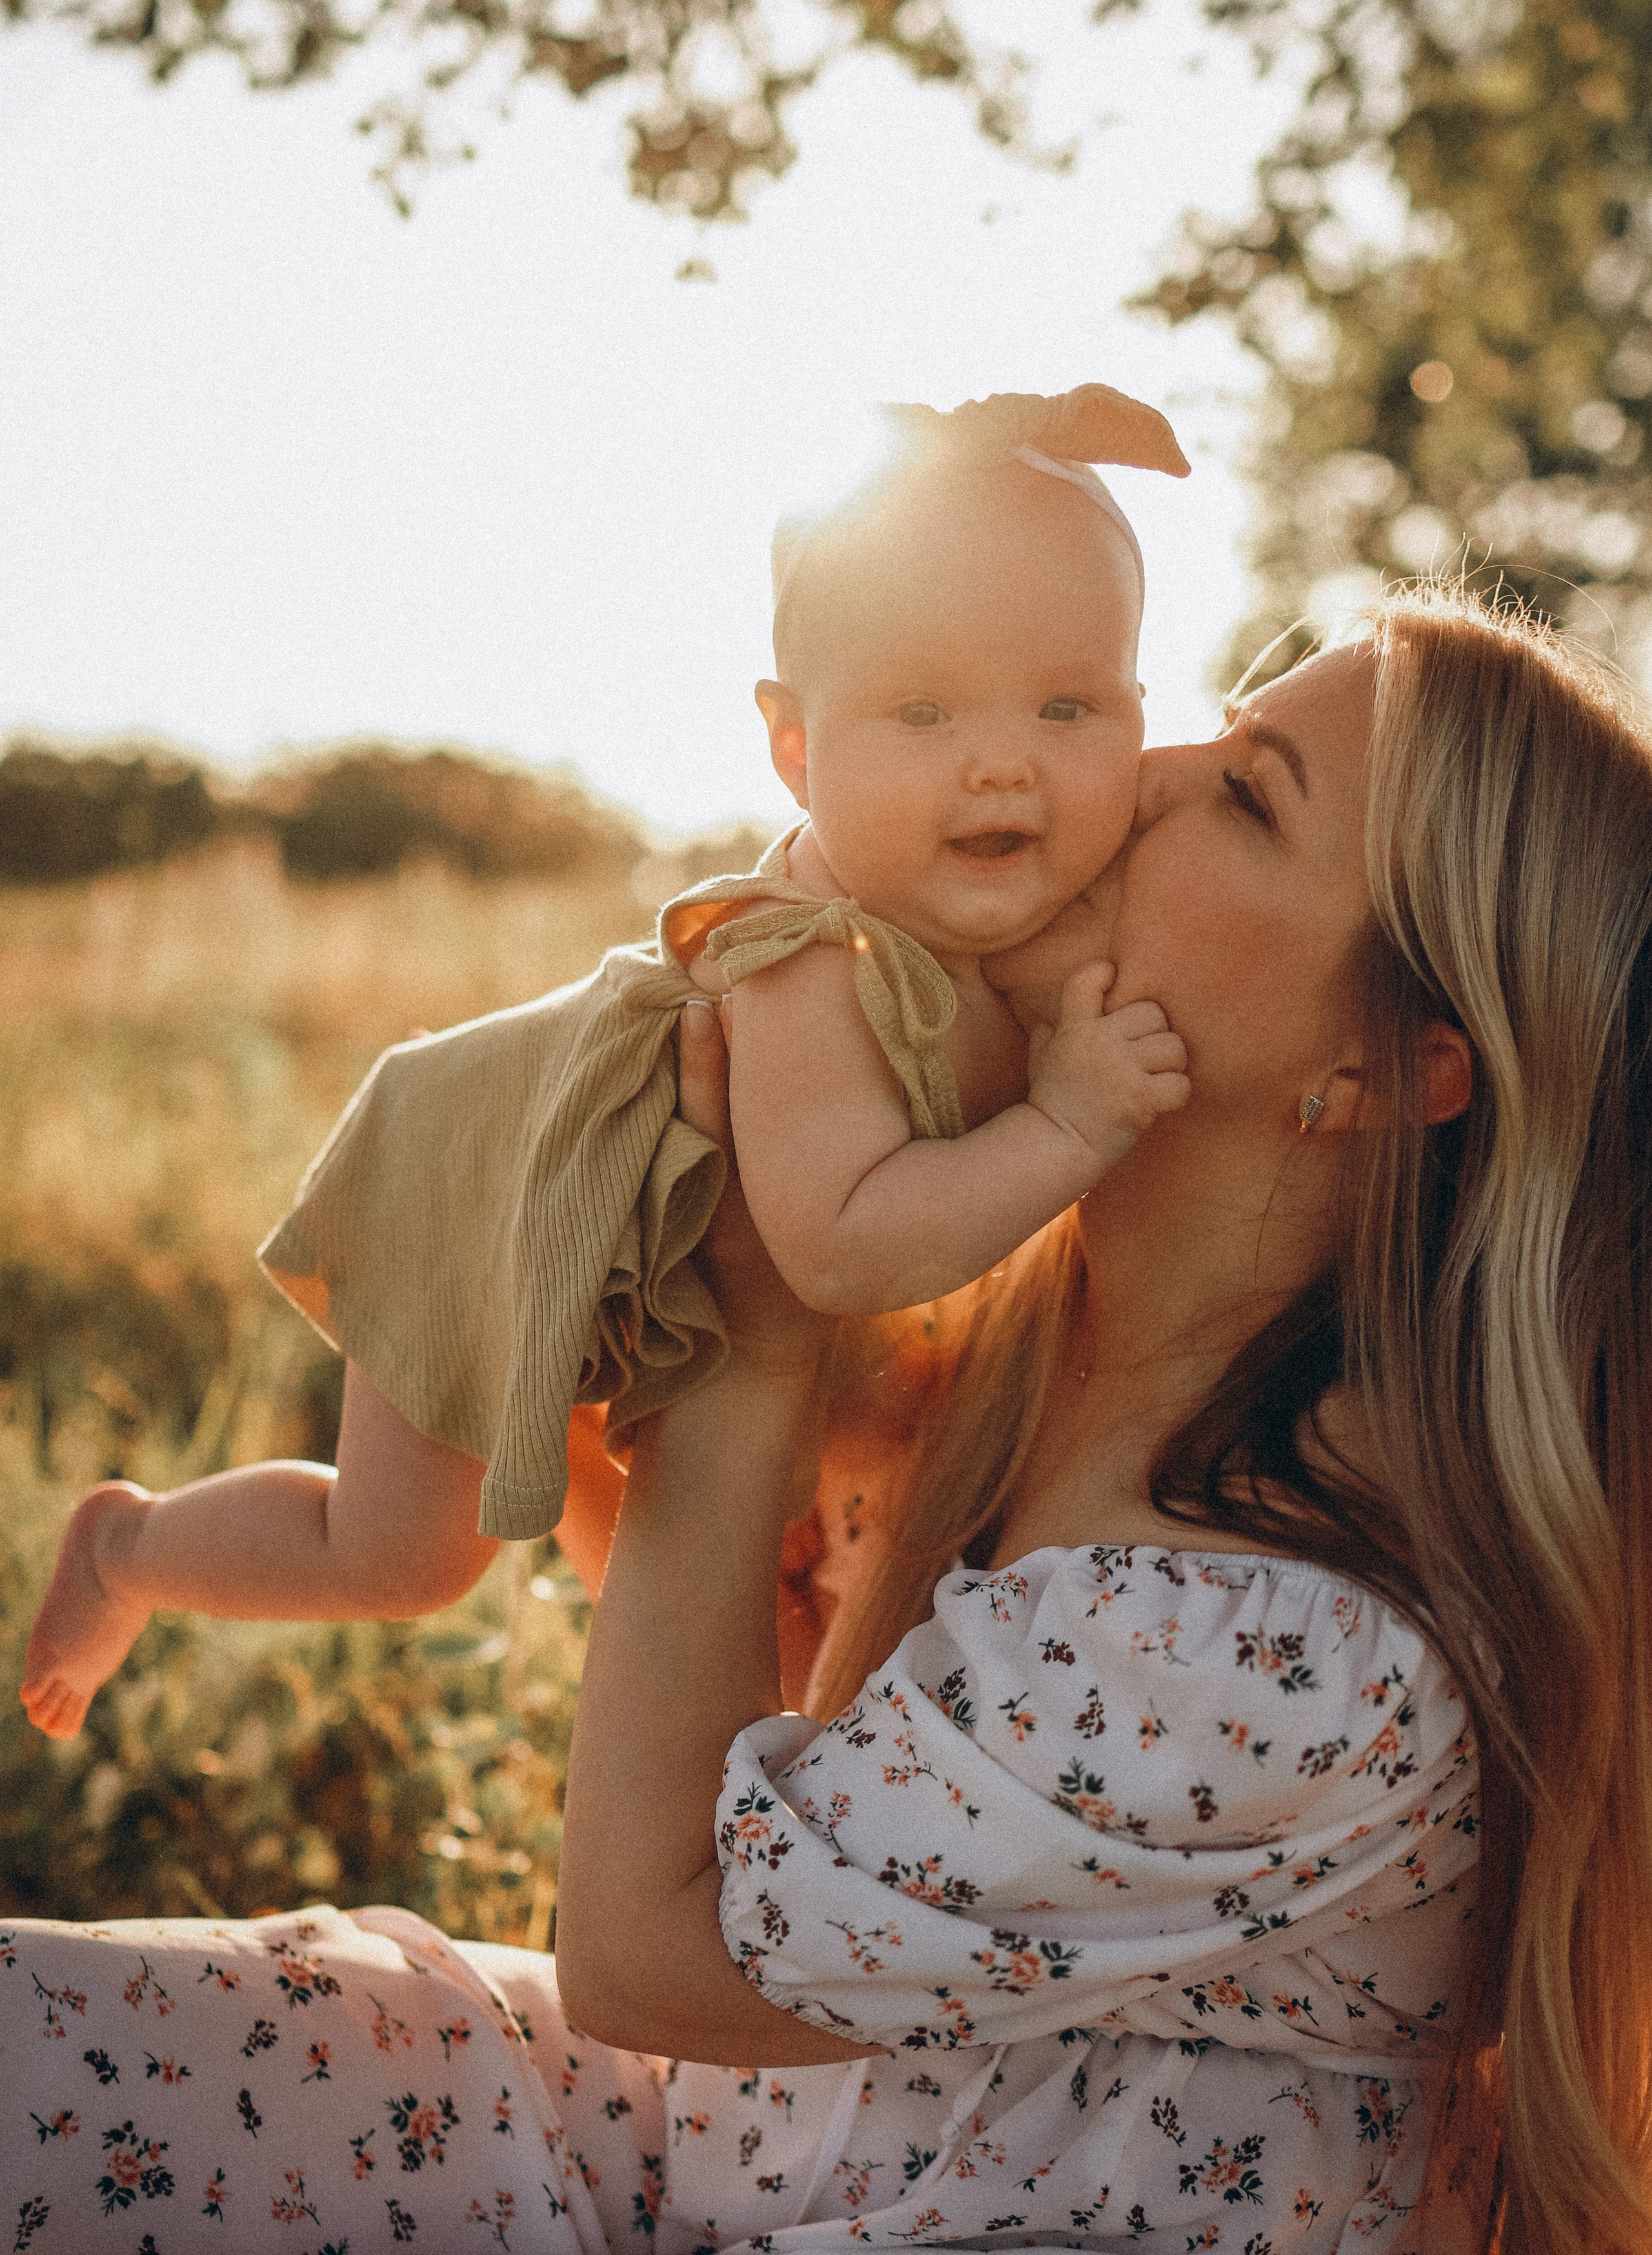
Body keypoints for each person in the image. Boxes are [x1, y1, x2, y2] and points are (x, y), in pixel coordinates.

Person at [4, 583, 1651, 2255]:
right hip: (728, 2143)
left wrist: (752, 1347)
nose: (1136, 767)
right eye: (1209, 722)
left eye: (1247, 790)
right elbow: (769, 1758)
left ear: (1391, 1068)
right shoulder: (999, 1298)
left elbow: (655, 1957)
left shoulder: (1289, 1631)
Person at [20, 383, 1193, 1745]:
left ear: (1138, 713)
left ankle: (737, 1838)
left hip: (646, 1273)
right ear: (793, 746)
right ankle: (128, 1549)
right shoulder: (805, 962)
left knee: (750, 1618)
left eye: (1066, 705)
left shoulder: (1034, 903)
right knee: (400, 1553)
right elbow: (838, 1248)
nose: (1003, 767)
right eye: (922, 712)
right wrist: (1066, 1123)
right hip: (491, 1179)